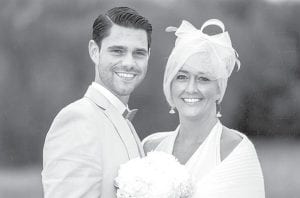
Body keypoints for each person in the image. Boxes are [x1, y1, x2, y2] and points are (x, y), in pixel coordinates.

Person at [143, 19, 265, 198]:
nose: (191, 88)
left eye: (203, 78)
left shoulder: (235, 150)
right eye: (182, 77)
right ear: (170, 84)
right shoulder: (150, 147)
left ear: (219, 89)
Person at [42, 7, 152, 198]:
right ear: (95, 51)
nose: (129, 62)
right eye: (118, 51)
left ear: (148, 56)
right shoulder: (78, 120)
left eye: (139, 53)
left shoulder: (122, 120)